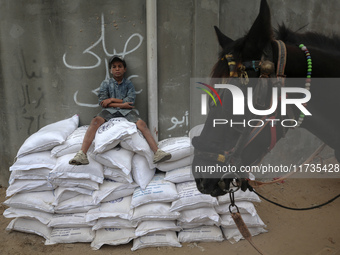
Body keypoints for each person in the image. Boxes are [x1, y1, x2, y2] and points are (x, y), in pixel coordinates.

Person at [69, 55, 171, 165]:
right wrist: (122, 103)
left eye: (120, 66)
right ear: (110, 70)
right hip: (109, 112)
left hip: (126, 112)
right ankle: (82, 154)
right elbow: (103, 102)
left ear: (124, 69)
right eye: (114, 67)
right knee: (95, 122)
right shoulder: (106, 84)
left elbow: (130, 102)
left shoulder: (129, 84)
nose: (117, 69)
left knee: (142, 124)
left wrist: (111, 100)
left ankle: (157, 152)